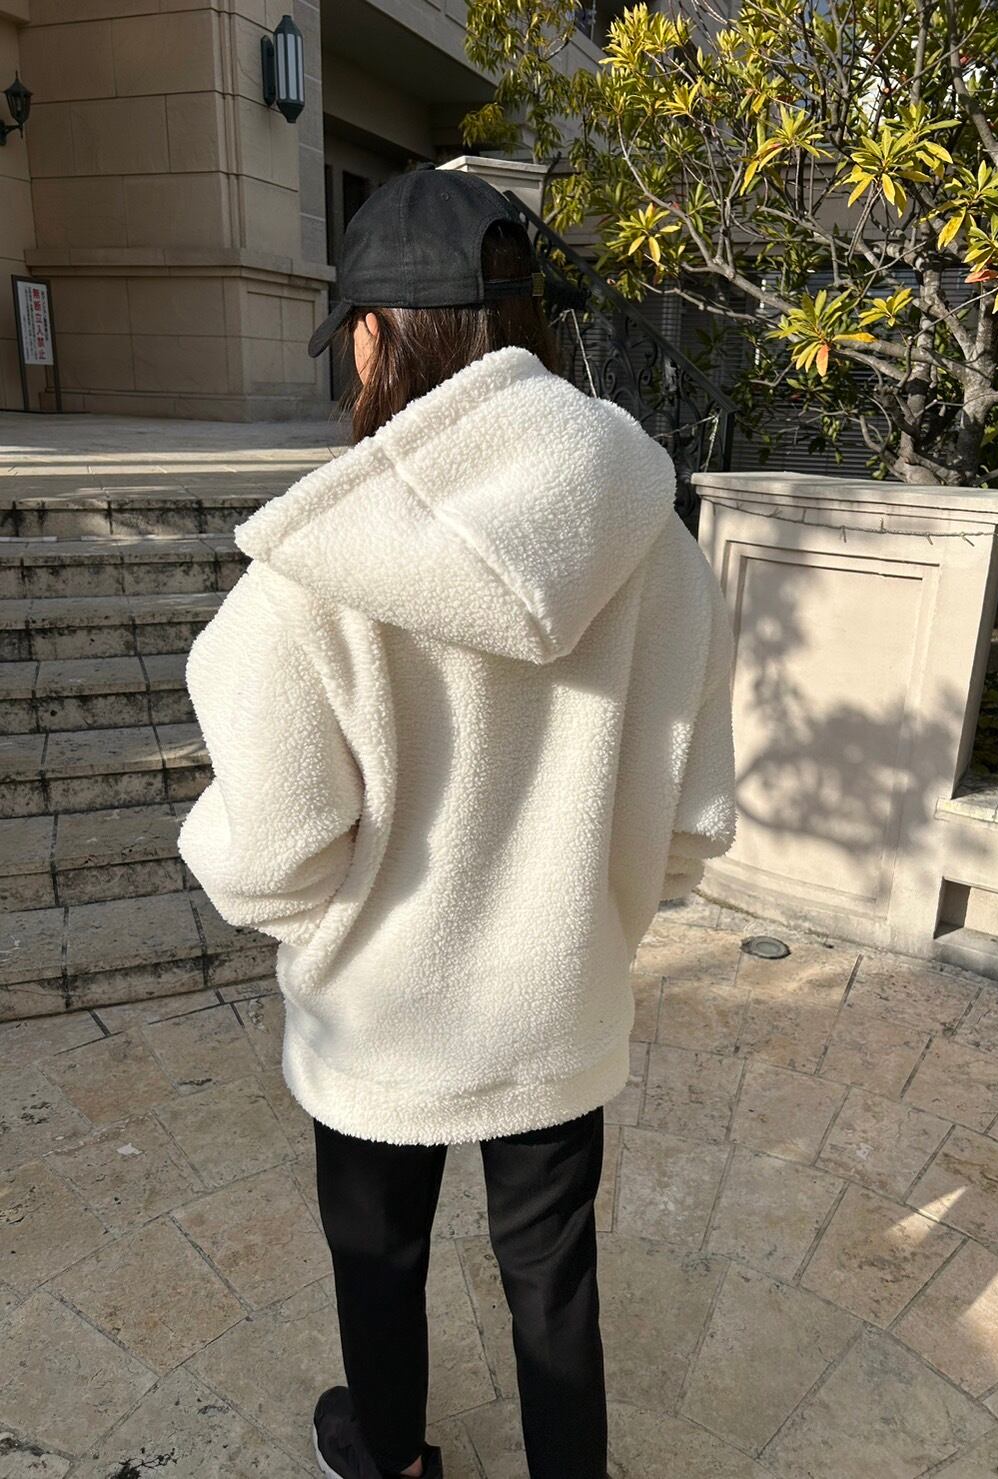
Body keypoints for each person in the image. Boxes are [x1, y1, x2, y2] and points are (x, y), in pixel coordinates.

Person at [178, 165, 737, 1479]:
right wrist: (594, 917)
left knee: (377, 1257)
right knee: (554, 1276)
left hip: (380, 1011)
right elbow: (690, 815)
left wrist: (333, 924)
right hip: (559, 993)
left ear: (377, 334)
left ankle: (390, 1456)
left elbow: (266, 857)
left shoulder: (308, 574)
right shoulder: (649, 532)